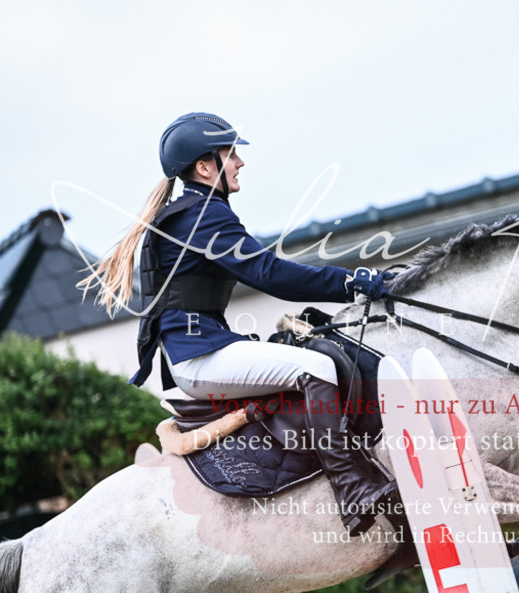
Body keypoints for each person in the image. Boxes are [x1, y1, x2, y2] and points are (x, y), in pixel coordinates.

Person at [80, 112, 396, 536]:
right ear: (204, 167)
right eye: (230, 154)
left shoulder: (188, 212)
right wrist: (352, 281)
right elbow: (269, 274)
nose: (240, 163)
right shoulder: (204, 215)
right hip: (200, 357)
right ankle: (351, 486)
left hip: (202, 351)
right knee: (316, 368)